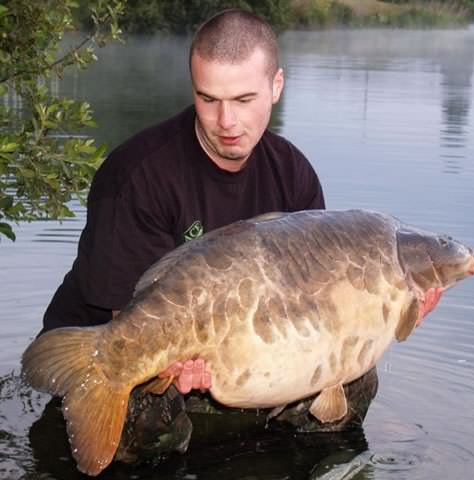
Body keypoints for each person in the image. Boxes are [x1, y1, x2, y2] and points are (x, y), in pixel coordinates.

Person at [39, 8, 439, 466]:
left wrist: (389, 308)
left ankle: (303, 464)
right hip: (119, 350)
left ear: (276, 86)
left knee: (355, 374)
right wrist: (174, 361)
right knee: (149, 403)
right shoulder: (138, 175)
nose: (226, 120)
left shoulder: (295, 176)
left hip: (239, 354)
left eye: (244, 99)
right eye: (208, 99)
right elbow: (127, 313)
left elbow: (321, 308)